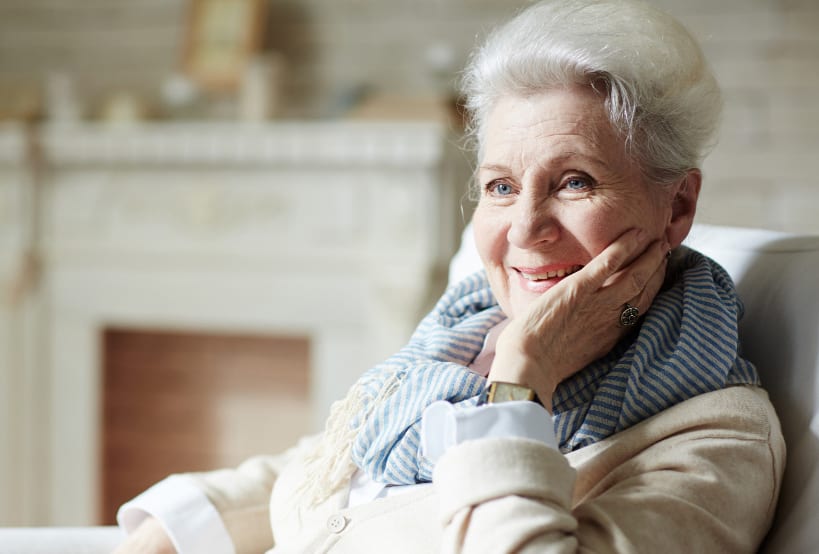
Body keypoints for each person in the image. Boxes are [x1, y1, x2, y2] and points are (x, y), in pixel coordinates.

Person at [114, 1, 785, 552]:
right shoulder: (465, 333)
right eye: (499, 186)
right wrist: (171, 529)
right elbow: (334, 472)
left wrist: (522, 386)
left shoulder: (713, 439)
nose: (523, 229)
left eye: (573, 181)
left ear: (677, 205)